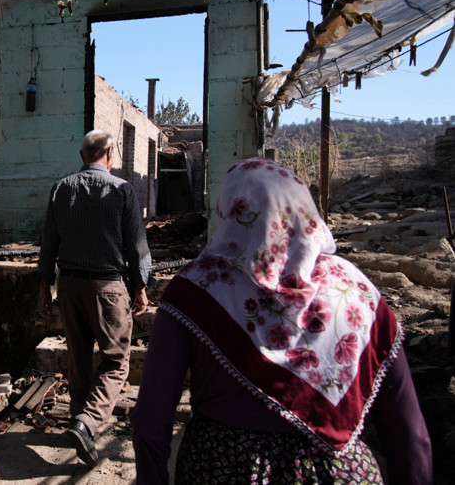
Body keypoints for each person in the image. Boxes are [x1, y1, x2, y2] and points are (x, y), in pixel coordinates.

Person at [131, 157, 433, 484]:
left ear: (231, 210)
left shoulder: (196, 287)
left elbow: (151, 421)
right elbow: (410, 434)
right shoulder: (359, 291)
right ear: (304, 209)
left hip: (226, 469)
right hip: (341, 473)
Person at [38, 129, 152, 465]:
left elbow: (48, 243)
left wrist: (45, 286)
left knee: (78, 357)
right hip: (107, 289)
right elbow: (136, 246)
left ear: (82, 155)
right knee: (116, 362)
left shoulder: (60, 188)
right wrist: (141, 285)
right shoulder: (122, 190)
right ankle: (87, 423)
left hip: (70, 287)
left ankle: (79, 421)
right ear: (110, 154)